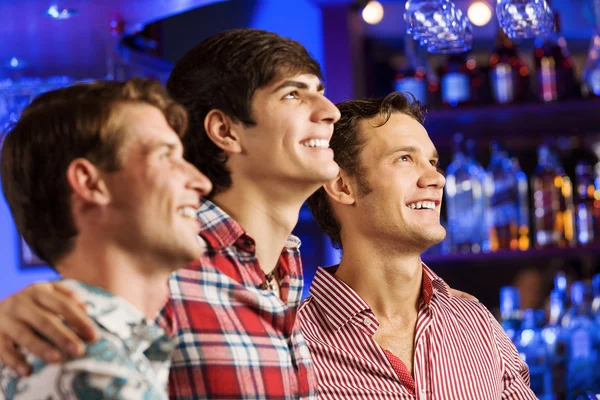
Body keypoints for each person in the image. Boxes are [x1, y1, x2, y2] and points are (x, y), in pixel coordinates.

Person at [0, 30, 473, 399]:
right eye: (293, 94)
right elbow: (72, 328)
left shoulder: (287, 277)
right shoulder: (164, 263)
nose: (330, 111)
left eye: (319, 91)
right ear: (225, 130)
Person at [298, 92, 537, 399]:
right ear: (344, 186)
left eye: (433, 162)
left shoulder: (477, 324)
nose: (436, 178)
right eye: (404, 158)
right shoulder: (291, 344)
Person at [0, 78, 212, 398]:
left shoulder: (115, 353)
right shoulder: (92, 370)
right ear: (90, 183)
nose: (201, 182)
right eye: (166, 156)